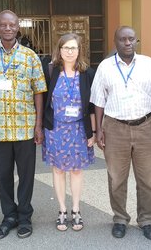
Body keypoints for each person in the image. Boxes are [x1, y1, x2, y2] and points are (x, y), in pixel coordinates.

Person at [0, 10, 47, 240]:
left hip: (25, 126)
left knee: (26, 175)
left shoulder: (30, 56)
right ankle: (8, 216)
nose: (8, 28)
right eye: (3, 25)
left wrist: (38, 125)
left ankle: (24, 217)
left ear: (17, 28)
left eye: (12, 24)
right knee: (3, 175)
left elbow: (39, 91)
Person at [90, 26, 151, 240]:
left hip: (146, 126)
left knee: (148, 178)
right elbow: (98, 100)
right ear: (115, 42)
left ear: (136, 41)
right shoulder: (105, 67)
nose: (127, 42)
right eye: (122, 39)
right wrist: (99, 130)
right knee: (116, 178)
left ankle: (147, 219)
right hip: (114, 128)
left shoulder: (149, 65)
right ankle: (120, 219)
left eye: (131, 39)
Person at [42, 33, 96, 231]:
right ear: (60, 50)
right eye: (66, 48)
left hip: (79, 129)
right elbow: (44, 99)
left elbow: (91, 105)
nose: (70, 51)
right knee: (58, 169)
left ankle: (76, 209)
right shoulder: (50, 71)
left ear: (79, 50)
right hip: (56, 128)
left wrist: (93, 131)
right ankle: (62, 210)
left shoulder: (87, 73)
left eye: (73, 48)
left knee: (76, 170)